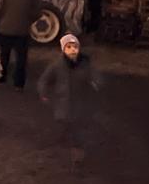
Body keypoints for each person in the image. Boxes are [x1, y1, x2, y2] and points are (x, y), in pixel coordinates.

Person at [37, 33, 101, 164]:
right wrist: (43, 92)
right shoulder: (57, 65)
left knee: (77, 126)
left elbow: (94, 75)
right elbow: (44, 79)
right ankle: (64, 138)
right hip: (63, 100)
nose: (73, 50)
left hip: (79, 100)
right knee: (64, 120)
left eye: (75, 47)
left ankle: (77, 150)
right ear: (63, 49)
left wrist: (96, 82)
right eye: (69, 47)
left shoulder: (84, 64)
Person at [0, 0, 40, 89]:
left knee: (4, 54)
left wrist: (3, 18)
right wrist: (29, 20)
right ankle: (19, 83)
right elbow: (37, 12)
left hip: (5, 29)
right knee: (21, 58)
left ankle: (2, 77)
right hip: (23, 30)